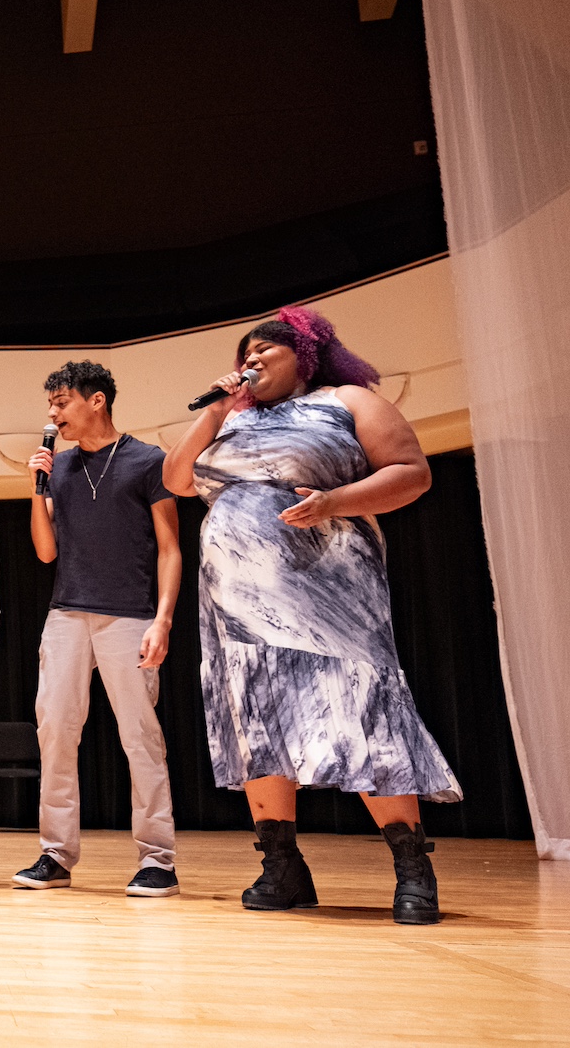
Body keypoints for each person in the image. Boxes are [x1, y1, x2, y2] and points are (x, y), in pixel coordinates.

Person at [161, 306, 458, 925]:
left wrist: (335, 502)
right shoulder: (230, 419)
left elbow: (412, 472)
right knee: (258, 720)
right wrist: (215, 411)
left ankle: (411, 866)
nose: (252, 360)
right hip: (237, 608)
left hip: (331, 592)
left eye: (267, 349)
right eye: (245, 354)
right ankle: (282, 866)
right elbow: (177, 480)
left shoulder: (346, 400)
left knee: (366, 711)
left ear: (307, 354)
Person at [12, 361, 183, 898]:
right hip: (65, 613)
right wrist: (36, 488)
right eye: (51, 404)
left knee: (140, 736)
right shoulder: (57, 468)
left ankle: (158, 860)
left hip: (129, 614)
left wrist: (163, 618)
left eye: (62, 402)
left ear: (97, 401)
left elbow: (171, 548)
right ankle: (55, 855)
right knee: (55, 733)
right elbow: (45, 552)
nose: (53, 413)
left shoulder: (147, 460)